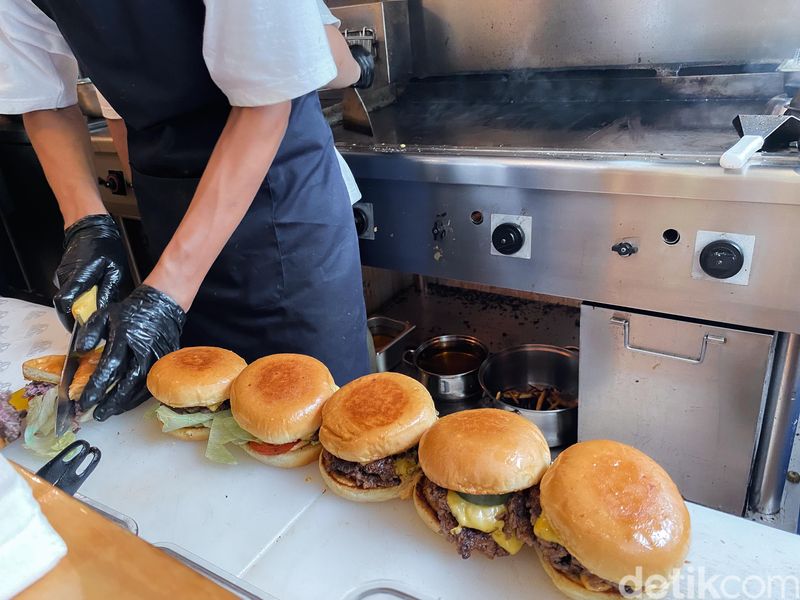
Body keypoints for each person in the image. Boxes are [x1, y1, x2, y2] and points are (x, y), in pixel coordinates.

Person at [0, 1, 374, 421]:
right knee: (197, 399)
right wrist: (86, 222)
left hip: (280, 198)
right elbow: (42, 94)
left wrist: (168, 291)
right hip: (171, 207)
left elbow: (265, 103)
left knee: (313, 405)